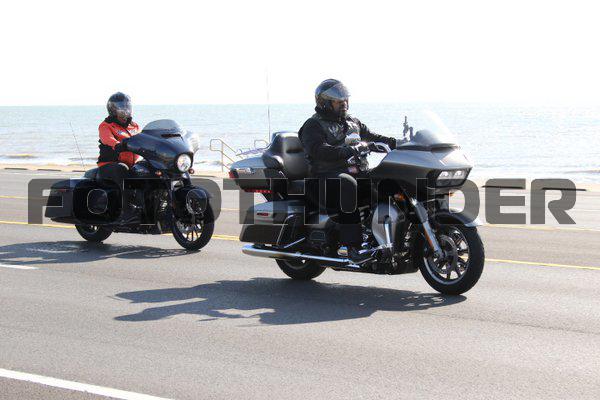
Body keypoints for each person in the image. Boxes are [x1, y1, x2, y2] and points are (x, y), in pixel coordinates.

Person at [298, 79, 397, 262]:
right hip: (324, 179)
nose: (344, 104)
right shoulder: (313, 125)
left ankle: (385, 237)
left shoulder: (353, 122)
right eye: (338, 101)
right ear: (325, 103)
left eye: (345, 100)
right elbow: (317, 149)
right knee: (347, 183)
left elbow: (373, 137)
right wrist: (346, 151)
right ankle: (350, 246)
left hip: (356, 173)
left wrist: (398, 143)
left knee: (387, 180)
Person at [96, 92, 141, 224]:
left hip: (131, 164)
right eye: (122, 107)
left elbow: (144, 138)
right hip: (109, 165)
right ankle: (126, 211)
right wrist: (117, 144)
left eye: (127, 106)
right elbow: (107, 138)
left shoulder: (134, 126)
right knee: (122, 169)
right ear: (113, 109)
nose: (125, 110)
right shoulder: (106, 125)